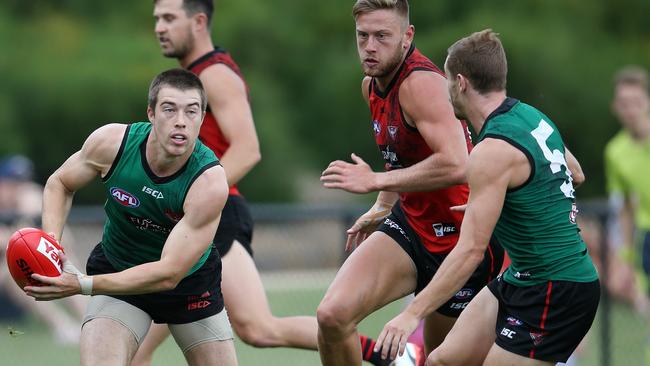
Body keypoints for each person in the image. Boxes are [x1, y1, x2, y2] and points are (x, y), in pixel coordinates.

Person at [137, 1, 390, 365]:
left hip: (212, 216)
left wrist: (189, 199)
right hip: (206, 215)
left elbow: (247, 150)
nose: (160, 27)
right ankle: (386, 354)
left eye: (169, 18)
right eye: (157, 19)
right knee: (258, 329)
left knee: (140, 348)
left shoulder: (214, 75)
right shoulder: (193, 76)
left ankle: (387, 353)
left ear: (198, 22)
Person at [372, 29, 599, 366]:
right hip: (522, 278)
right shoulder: (532, 117)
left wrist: (412, 314)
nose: (446, 91)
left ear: (461, 82)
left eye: (447, 81)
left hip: (558, 288)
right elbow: (573, 173)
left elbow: (470, 252)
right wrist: (500, 201)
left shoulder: (489, 152)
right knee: (441, 360)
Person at [318, 2, 504, 365]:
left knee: (438, 359)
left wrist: (375, 180)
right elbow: (399, 152)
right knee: (332, 315)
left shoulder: (421, 84)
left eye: (382, 36)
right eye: (363, 36)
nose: (370, 46)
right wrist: (384, 205)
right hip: (412, 227)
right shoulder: (370, 85)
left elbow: (457, 162)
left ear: (407, 37)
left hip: (459, 240)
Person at [24, 68, 237, 366]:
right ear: (150, 113)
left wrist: (83, 284)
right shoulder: (112, 144)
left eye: (192, 112)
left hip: (188, 286)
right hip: (118, 271)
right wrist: (51, 247)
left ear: (202, 118)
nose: (180, 121)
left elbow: (168, 273)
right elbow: (59, 184)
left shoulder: (209, 182)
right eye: (169, 109)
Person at [0, 155, 86, 344]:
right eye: (11, 183)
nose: (17, 189)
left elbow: (60, 239)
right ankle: (63, 327)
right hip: (14, 272)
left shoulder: (32, 195)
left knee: (65, 263)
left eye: (21, 183)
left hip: (36, 262)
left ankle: (87, 322)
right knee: (10, 276)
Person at [604, 65, 650, 358]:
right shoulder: (615, 152)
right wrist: (623, 260)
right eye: (624, 103)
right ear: (615, 107)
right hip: (646, 242)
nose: (630, 110)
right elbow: (623, 209)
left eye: (637, 102)